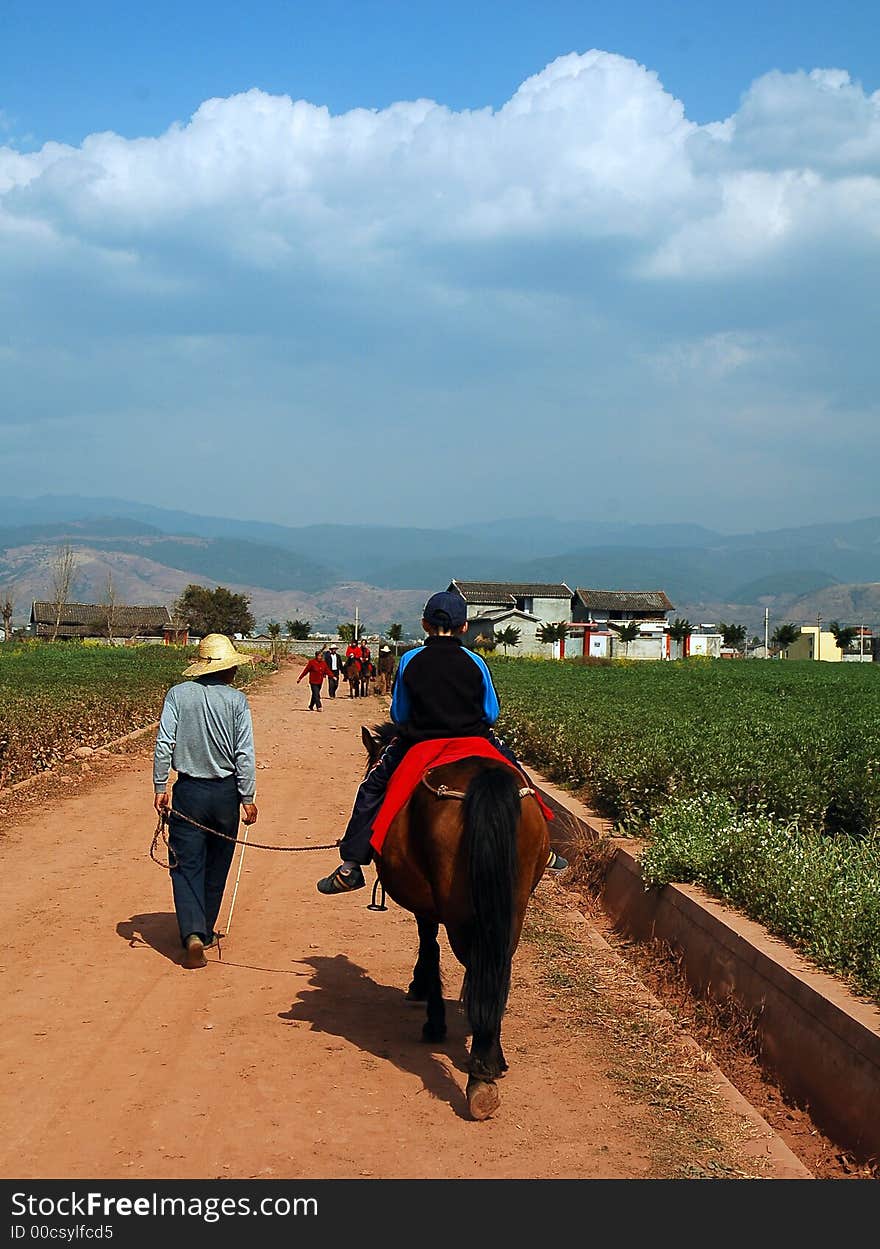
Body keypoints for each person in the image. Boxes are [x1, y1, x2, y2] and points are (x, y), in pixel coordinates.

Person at [316, 591, 567, 895]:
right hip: (475, 740)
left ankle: (352, 865)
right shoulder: (475, 661)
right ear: (464, 627)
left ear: (424, 624)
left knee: (372, 786)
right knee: (518, 775)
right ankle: (544, 847)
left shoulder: (410, 659)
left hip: (420, 742)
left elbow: (400, 712)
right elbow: (491, 711)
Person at [153, 633, 259, 968]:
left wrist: (160, 785)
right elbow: (244, 753)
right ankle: (207, 929)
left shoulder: (178, 695)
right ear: (228, 670)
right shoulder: (237, 702)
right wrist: (248, 797)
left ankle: (193, 934)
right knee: (217, 865)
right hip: (225, 795)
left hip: (188, 793)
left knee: (185, 866)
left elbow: (164, 742)